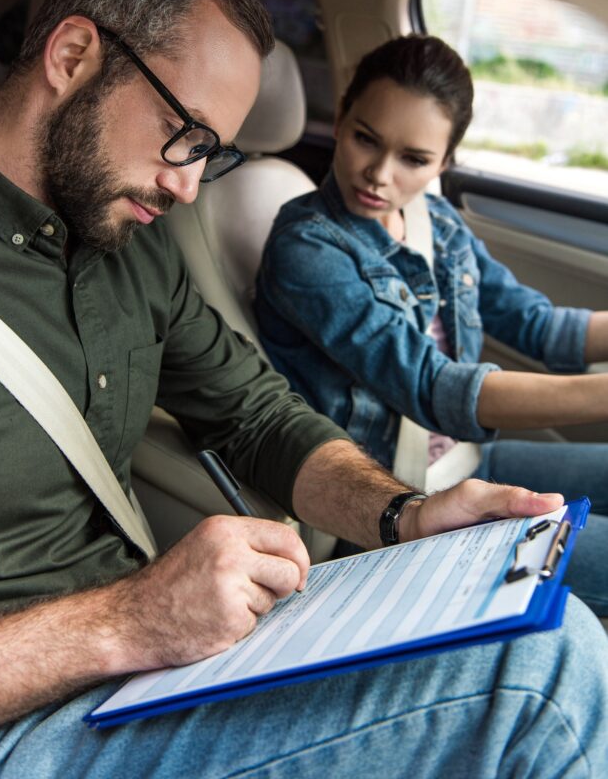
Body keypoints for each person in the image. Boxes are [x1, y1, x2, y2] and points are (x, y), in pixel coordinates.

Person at [0, 0, 605, 778]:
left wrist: (404, 517)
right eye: (185, 136)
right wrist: (125, 621)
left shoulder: (133, 246)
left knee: (528, 619)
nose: (184, 187)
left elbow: (256, 415)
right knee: (540, 675)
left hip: (144, 674)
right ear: (72, 56)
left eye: (212, 156)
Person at [255, 33, 608, 617]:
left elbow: (535, 323)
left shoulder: (437, 222)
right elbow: (433, 387)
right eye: (366, 139)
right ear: (340, 120)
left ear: (444, 163)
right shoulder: (306, 247)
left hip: (471, 466)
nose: (378, 174)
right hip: (398, 502)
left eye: (414, 159)